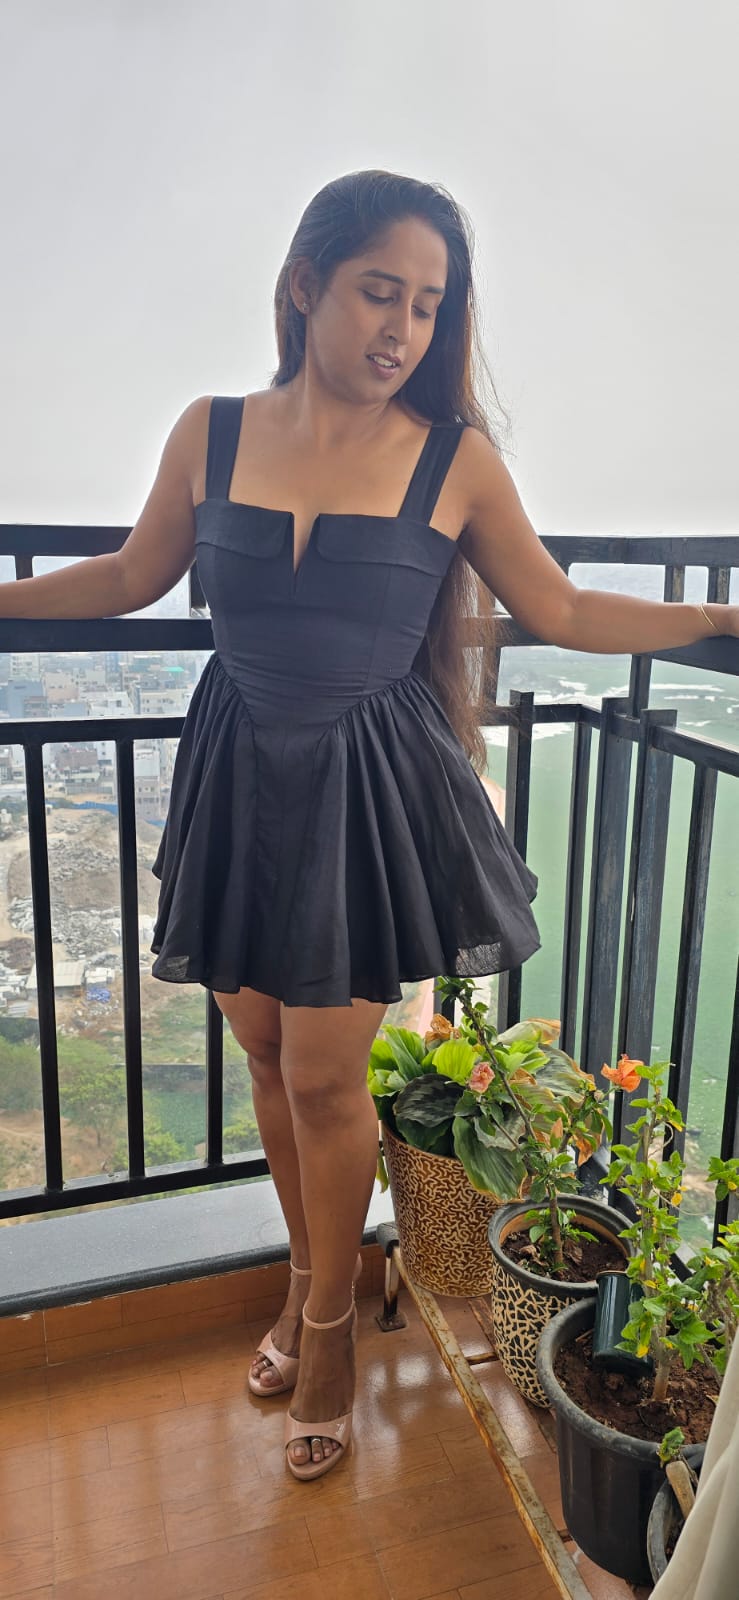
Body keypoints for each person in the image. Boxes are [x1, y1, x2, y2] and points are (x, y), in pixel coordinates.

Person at [4, 169, 736, 1483]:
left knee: (328, 1082)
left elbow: (562, 610)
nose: (403, 328)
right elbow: (128, 574)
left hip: (362, 791)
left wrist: (722, 620)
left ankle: (332, 1334)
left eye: (428, 305)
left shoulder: (455, 459)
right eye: (378, 293)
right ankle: (305, 1279)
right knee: (266, 1058)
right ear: (305, 287)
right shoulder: (211, 430)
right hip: (237, 771)